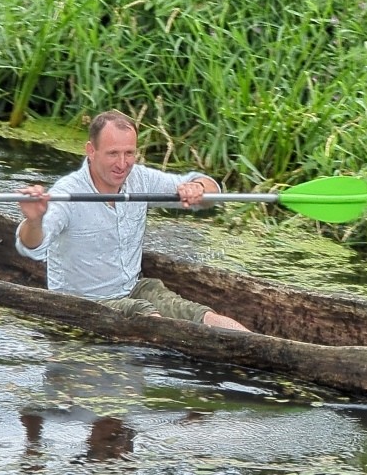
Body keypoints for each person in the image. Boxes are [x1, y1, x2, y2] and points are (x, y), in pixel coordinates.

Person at [15, 110, 249, 331]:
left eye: (129, 153)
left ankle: (258, 346)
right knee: (148, 318)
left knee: (201, 315)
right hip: (85, 302)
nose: (122, 164)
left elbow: (212, 192)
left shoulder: (141, 179)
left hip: (135, 289)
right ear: (91, 151)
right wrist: (34, 221)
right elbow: (32, 247)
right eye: (113, 154)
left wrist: (198, 188)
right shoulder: (67, 193)